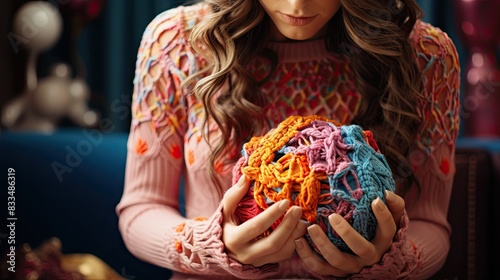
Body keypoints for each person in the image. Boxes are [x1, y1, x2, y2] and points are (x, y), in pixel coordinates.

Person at [116, 0, 460, 279]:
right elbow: (140, 210)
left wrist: (389, 263)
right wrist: (213, 246)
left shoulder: (425, 54)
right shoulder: (178, 42)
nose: (297, 4)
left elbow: (432, 225)